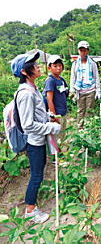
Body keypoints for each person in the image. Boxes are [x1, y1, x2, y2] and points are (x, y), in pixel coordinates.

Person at [11, 52, 61, 223]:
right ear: (24, 72)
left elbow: (35, 113)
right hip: (34, 141)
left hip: (38, 139)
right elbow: (27, 125)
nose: (38, 66)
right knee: (36, 175)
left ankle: (31, 206)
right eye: (33, 64)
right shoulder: (26, 93)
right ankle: (30, 210)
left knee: (39, 172)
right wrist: (50, 126)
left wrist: (47, 115)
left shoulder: (33, 88)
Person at [70, 40, 101, 129]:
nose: (83, 52)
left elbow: (96, 77)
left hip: (91, 90)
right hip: (80, 91)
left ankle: (88, 128)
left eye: (84, 50)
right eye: (81, 50)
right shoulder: (75, 64)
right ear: (78, 51)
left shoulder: (92, 63)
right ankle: (80, 128)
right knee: (80, 110)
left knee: (89, 111)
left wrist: (98, 90)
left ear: (87, 51)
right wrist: (72, 91)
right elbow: (73, 78)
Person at [43, 55, 68, 154]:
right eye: (55, 66)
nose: (58, 68)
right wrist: (54, 116)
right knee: (56, 136)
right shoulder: (50, 81)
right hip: (56, 114)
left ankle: (60, 153)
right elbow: (49, 100)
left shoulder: (61, 79)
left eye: (60, 65)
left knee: (62, 134)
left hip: (62, 112)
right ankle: (56, 157)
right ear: (49, 68)